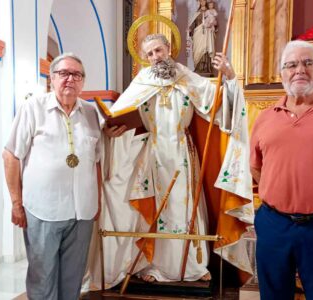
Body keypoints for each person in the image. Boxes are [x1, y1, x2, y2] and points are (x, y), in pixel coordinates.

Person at [90, 33, 251, 287]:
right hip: (152, 154)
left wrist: (229, 78)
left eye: (159, 50)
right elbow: (118, 113)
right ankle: (154, 264)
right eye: (150, 54)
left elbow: (218, 102)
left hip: (182, 154)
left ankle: (194, 266)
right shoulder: (142, 81)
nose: (156, 57)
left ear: (169, 49)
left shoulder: (186, 77)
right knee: (157, 207)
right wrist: (109, 128)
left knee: (184, 207)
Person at [3, 53, 102, 300]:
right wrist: (16, 203)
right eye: (64, 73)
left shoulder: (91, 113)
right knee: (42, 277)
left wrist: (97, 201)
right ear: (52, 78)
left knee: (73, 278)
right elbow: (11, 156)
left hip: (83, 211)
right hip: (42, 209)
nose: (70, 79)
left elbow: (97, 162)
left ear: (83, 82)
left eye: (76, 75)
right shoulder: (33, 108)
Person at [250, 40, 313, 300]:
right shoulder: (265, 117)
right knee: (273, 295)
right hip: (274, 224)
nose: (299, 69)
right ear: (282, 75)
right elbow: (256, 168)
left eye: (308, 63)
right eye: (291, 65)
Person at [188, 0, 218, 74]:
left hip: (207, 34)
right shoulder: (196, 13)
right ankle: (198, 68)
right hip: (198, 35)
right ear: (199, 2)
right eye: (201, 1)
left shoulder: (210, 12)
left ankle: (207, 69)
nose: (202, 2)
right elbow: (192, 25)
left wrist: (212, 24)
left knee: (207, 49)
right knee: (198, 51)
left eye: (204, 1)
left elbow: (215, 24)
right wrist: (190, 30)